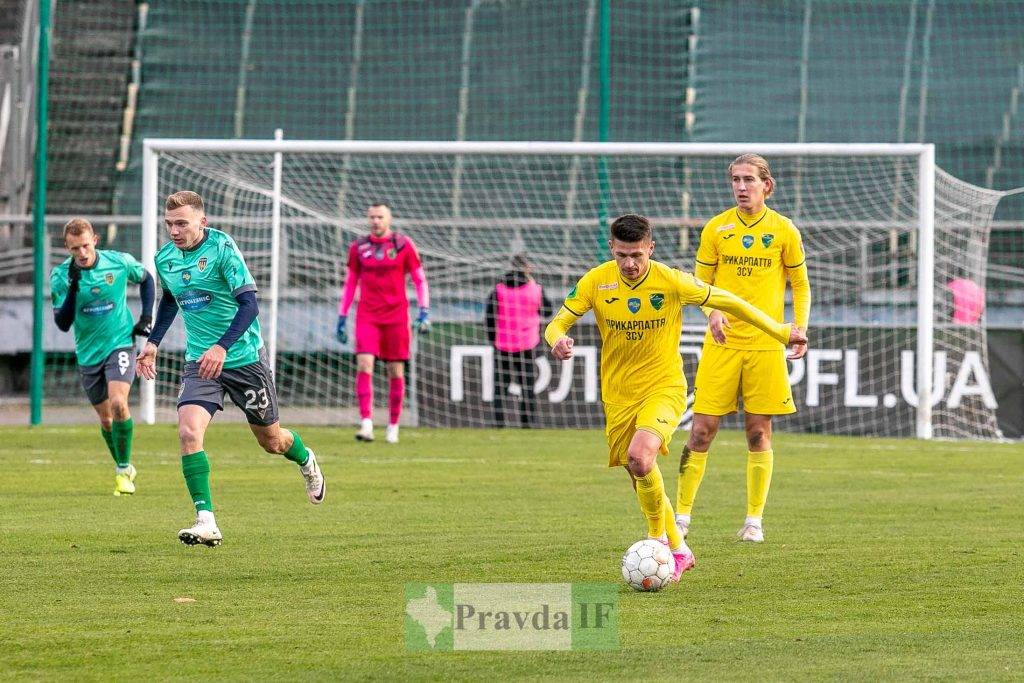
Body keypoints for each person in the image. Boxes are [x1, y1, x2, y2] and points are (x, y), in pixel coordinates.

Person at [545, 214, 806, 582]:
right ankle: (680, 549)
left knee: (640, 456)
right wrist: (557, 339)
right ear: (611, 250)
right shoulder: (595, 281)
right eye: (622, 255)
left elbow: (730, 301)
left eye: (637, 254)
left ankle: (659, 541)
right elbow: (556, 322)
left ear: (650, 248)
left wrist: (780, 330)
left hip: (664, 387)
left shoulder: (671, 280)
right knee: (639, 473)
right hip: (619, 395)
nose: (630, 264)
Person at [136, 191, 325, 547]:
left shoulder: (223, 248)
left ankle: (307, 459)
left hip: (243, 359)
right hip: (200, 362)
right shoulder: (165, 258)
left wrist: (222, 347)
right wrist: (153, 342)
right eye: (169, 224)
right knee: (189, 433)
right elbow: (171, 300)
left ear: (202, 222)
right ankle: (205, 519)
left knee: (272, 441)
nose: (174, 231)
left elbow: (249, 306)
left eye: (181, 223)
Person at [676, 154, 811, 544]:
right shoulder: (717, 228)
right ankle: (682, 516)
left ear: (767, 185)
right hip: (722, 344)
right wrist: (711, 311)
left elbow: (800, 285)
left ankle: (754, 520)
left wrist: (798, 327)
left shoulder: (784, 230)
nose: (741, 187)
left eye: (749, 179)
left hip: (766, 345)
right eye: (735, 179)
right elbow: (698, 283)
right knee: (701, 431)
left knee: (758, 432)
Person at [50, 218, 154, 496]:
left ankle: (122, 471)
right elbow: (62, 323)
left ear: (95, 240)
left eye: (85, 245)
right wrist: (73, 288)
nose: (82, 253)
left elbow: (146, 279)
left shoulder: (117, 262)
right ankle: (124, 465)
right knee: (106, 420)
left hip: (119, 342)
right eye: (75, 249)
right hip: (88, 353)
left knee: (120, 403)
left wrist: (146, 317)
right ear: (67, 247)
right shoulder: (61, 276)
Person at [336, 202, 430, 444]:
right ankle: (366, 423)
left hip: (397, 316)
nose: (375, 221)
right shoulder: (358, 247)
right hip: (367, 315)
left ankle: (393, 425)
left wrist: (424, 309)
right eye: (372, 217)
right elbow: (351, 282)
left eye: (380, 217)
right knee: (364, 365)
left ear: (389, 219)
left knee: (395, 370)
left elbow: (419, 278)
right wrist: (342, 315)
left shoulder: (403, 245)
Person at [485, 254, 554, 428]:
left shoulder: (498, 289)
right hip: (527, 345)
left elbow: (489, 317)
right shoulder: (535, 289)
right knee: (527, 387)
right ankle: (527, 424)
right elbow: (547, 311)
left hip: (503, 344)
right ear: (527, 268)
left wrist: (493, 340)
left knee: (500, 387)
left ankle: (499, 423)